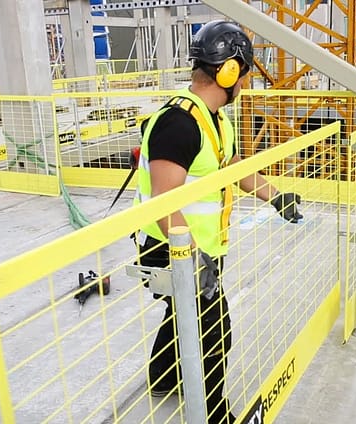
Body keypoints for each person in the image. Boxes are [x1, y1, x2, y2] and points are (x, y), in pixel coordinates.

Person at [133, 20, 303, 424]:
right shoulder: (179, 124)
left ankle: (162, 377)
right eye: (243, 73)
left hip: (202, 249)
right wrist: (190, 258)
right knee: (215, 333)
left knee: (182, 314)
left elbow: (228, 169)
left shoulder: (214, 120)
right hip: (172, 249)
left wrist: (276, 197)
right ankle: (215, 415)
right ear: (228, 71)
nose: (245, 82)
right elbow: (163, 201)